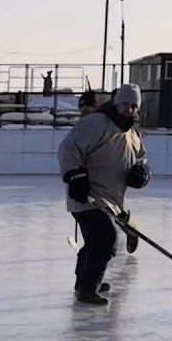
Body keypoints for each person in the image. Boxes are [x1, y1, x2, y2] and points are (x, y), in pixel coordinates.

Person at [57, 84, 150, 306]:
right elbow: (68, 149)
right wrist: (76, 177)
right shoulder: (96, 123)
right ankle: (88, 289)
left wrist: (142, 172)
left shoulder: (133, 132)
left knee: (94, 241)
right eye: (125, 105)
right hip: (87, 196)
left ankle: (85, 282)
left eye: (134, 106)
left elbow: (140, 158)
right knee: (106, 239)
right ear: (116, 103)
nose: (129, 110)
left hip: (111, 199)